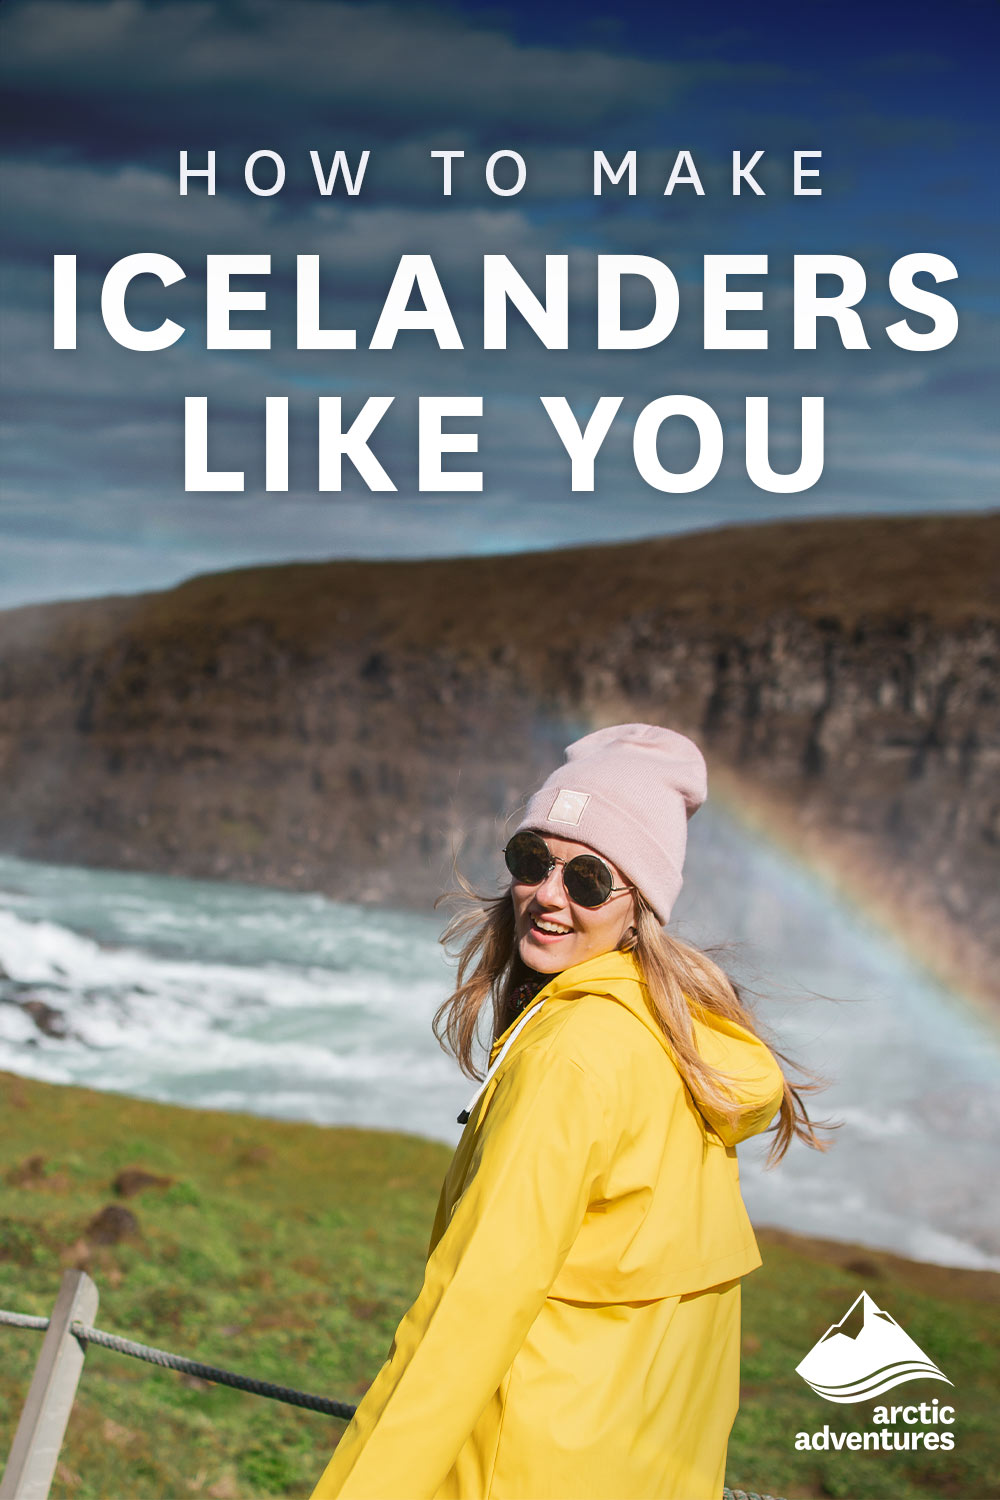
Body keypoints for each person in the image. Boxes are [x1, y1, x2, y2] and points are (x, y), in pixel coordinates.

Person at [310, 723, 826, 1500]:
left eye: (587, 879)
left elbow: (469, 1314)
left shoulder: (570, 1058)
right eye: (531, 861)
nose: (549, 895)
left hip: (516, 1468)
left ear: (638, 905)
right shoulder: (681, 1046)